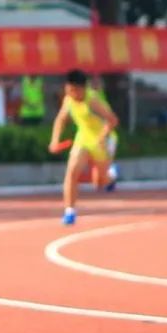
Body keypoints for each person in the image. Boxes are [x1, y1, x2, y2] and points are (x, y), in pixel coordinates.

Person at [48, 68, 119, 225]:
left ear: (82, 88)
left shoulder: (93, 100)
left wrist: (101, 138)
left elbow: (112, 120)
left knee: (100, 182)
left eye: (74, 90)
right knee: (72, 172)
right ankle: (69, 211)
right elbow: (60, 120)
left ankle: (111, 176)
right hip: (83, 137)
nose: (71, 93)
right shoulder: (68, 100)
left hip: (103, 138)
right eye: (68, 89)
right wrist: (54, 140)